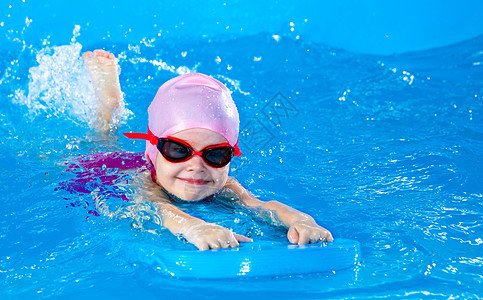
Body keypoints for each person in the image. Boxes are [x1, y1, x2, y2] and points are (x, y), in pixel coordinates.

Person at [83, 49, 334, 250]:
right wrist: (195, 227)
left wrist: (303, 221)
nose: (196, 166)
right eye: (178, 150)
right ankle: (108, 109)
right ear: (154, 149)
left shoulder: (225, 186)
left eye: (215, 154)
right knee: (102, 141)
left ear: (231, 156)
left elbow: (260, 205)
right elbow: (162, 210)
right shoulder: (144, 183)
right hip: (104, 169)